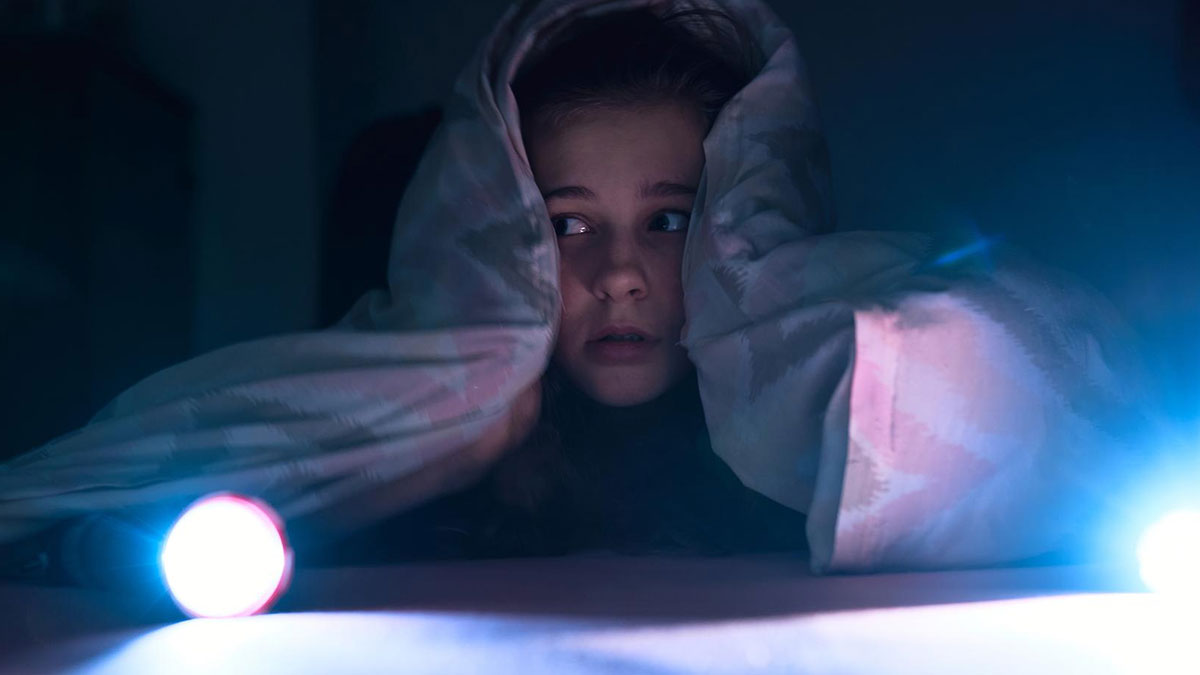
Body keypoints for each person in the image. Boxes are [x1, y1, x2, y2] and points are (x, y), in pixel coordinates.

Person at [0, 0, 1150, 577]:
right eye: (566, 225)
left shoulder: (818, 425)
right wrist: (436, 452)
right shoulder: (433, 452)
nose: (618, 274)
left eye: (669, 220)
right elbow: (105, 540)